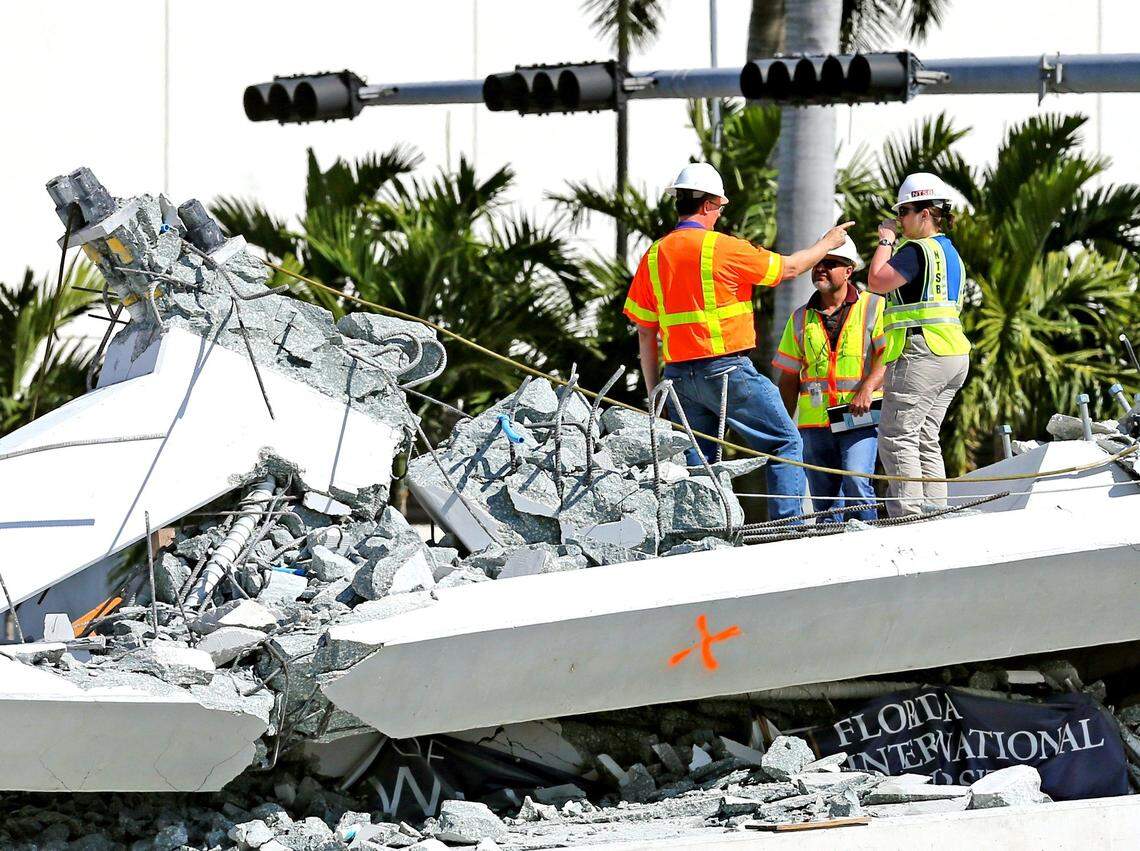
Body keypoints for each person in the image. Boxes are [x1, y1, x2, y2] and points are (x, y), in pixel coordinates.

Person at [623, 162, 855, 522]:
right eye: (719, 207)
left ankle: (702, 532)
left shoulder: (654, 256)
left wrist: (656, 394)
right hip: (727, 371)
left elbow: (645, 331)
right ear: (707, 205)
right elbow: (790, 268)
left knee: (700, 462)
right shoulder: (723, 249)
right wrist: (827, 243)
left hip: (679, 380)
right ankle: (787, 529)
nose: (719, 215)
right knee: (784, 443)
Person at [866, 172, 971, 517]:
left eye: (905, 212)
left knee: (897, 436)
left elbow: (877, 282)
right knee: (925, 436)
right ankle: (935, 512)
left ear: (925, 213)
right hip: (952, 354)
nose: (899, 220)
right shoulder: (950, 253)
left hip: (922, 354)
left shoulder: (916, 250)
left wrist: (885, 241)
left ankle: (909, 516)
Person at [772, 235, 885, 522]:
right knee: (824, 502)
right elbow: (788, 377)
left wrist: (867, 388)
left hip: (858, 416)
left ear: (849, 271)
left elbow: (889, 356)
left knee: (857, 483)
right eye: (818, 263)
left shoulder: (873, 306)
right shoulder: (800, 318)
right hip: (815, 423)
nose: (821, 268)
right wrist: (784, 425)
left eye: (831, 263)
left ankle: (869, 546)